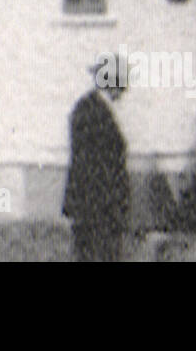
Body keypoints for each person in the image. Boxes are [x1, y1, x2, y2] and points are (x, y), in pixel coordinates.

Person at [62, 54, 131, 261]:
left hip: (99, 208)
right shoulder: (90, 111)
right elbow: (91, 165)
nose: (124, 89)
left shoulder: (97, 108)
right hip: (96, 208)